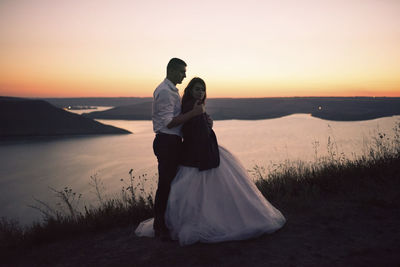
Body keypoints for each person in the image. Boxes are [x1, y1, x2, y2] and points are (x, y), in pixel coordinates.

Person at [136, 77, 286, 246]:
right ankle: (174, 224)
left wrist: (207, 122)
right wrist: (204, 123)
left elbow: (197, 127)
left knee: (195, 191)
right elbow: (192, 130)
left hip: (199, 151)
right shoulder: (193, 107)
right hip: (198, 153)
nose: (200, 92)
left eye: (203, 89)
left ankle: (171, 222)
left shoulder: (195, 106)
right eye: (197, 89)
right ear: (190, 91)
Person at [151, 58, 205, 240]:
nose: (185, 75)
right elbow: (169, 122)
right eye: (182, 71)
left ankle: (168, 220)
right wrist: (193, 114)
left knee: (173, 183)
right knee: (165, 184)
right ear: (172, 71)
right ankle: (159, 226)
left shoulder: (171, 91)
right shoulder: (165, 92)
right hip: (167, 142)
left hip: (172, 142)